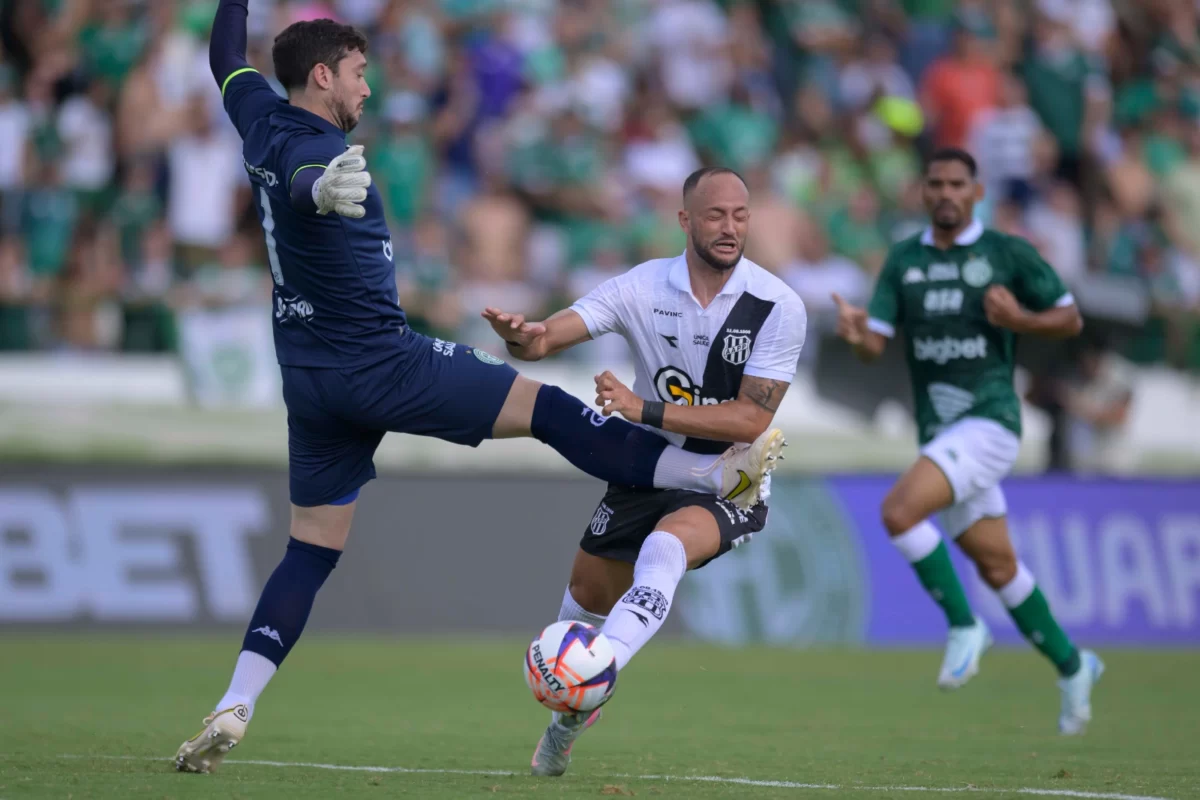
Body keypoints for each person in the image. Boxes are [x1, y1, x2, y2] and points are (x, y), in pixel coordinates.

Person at [175, 2, 785, 774]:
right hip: (384, 364)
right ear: (323, 75)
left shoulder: (255, 110)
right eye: (359, 73)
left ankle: (238, 700)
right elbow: (303, 178)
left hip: (308, 378)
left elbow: (225, 53)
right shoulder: (310, 148)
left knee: (309, 550)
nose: (369, 87)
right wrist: (317, 190)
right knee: (553, 410)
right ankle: (709, 472)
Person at [484, 167, 806, 776]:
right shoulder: (641, 287)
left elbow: (749, 420)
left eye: (740, 215)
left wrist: (641, 407)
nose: (730, 227)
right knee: (583, 599)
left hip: (730, 476)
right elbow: (551, 335)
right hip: (644, 470)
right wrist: (523, 338)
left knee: (666, 548)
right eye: (715, 215)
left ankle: (598, 672)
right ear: (685, 220)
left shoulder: (777, 306)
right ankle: (568, 719)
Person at [831, 148, 1103, 735]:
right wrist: (857, 334)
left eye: (957, 183)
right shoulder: (904, 260)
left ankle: (962, 624)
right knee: (999, 565)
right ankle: (1075, 664)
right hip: (942, 431)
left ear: (976, 192)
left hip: (991, 420)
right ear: (923, 192)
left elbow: (1069, 317)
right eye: (936, 183)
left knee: (899, 510)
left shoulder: (1007, 253)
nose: (946, 192)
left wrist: (1020, 321)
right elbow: (875, 346)